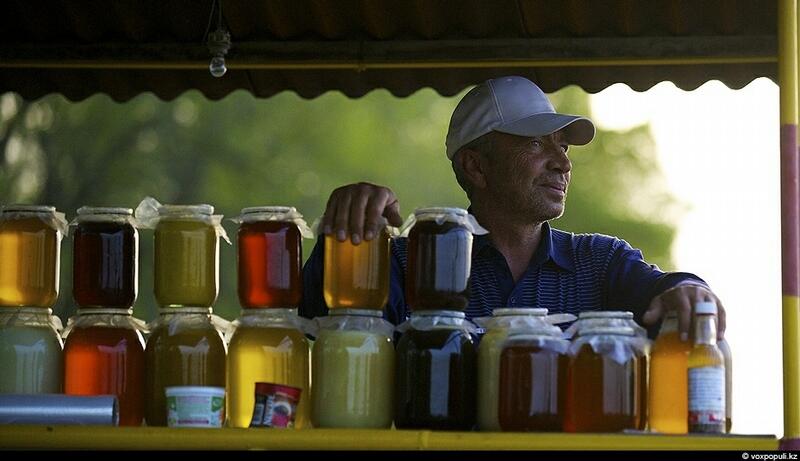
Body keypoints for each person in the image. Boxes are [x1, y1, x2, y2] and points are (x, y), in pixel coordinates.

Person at [299, 75, 725, 339]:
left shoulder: (601, 261)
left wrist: (688, 289)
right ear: (476, 166)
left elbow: (665, 289)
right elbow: (327, 329)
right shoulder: (407, 261)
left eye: (562, 146)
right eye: (536, 143)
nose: (562, 162)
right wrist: (346, 232)